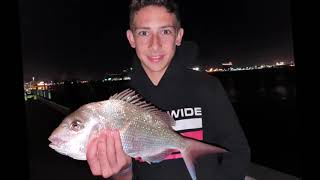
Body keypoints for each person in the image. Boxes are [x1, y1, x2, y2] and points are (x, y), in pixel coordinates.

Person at [86, 0, 251, 179]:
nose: (155, 45)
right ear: (131, 38)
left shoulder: (207, 87)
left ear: (178, 36)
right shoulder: (121, 106)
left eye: (165, 31)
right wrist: (122, 171)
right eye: (143, 33)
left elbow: (238, 151)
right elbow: (126, 176)